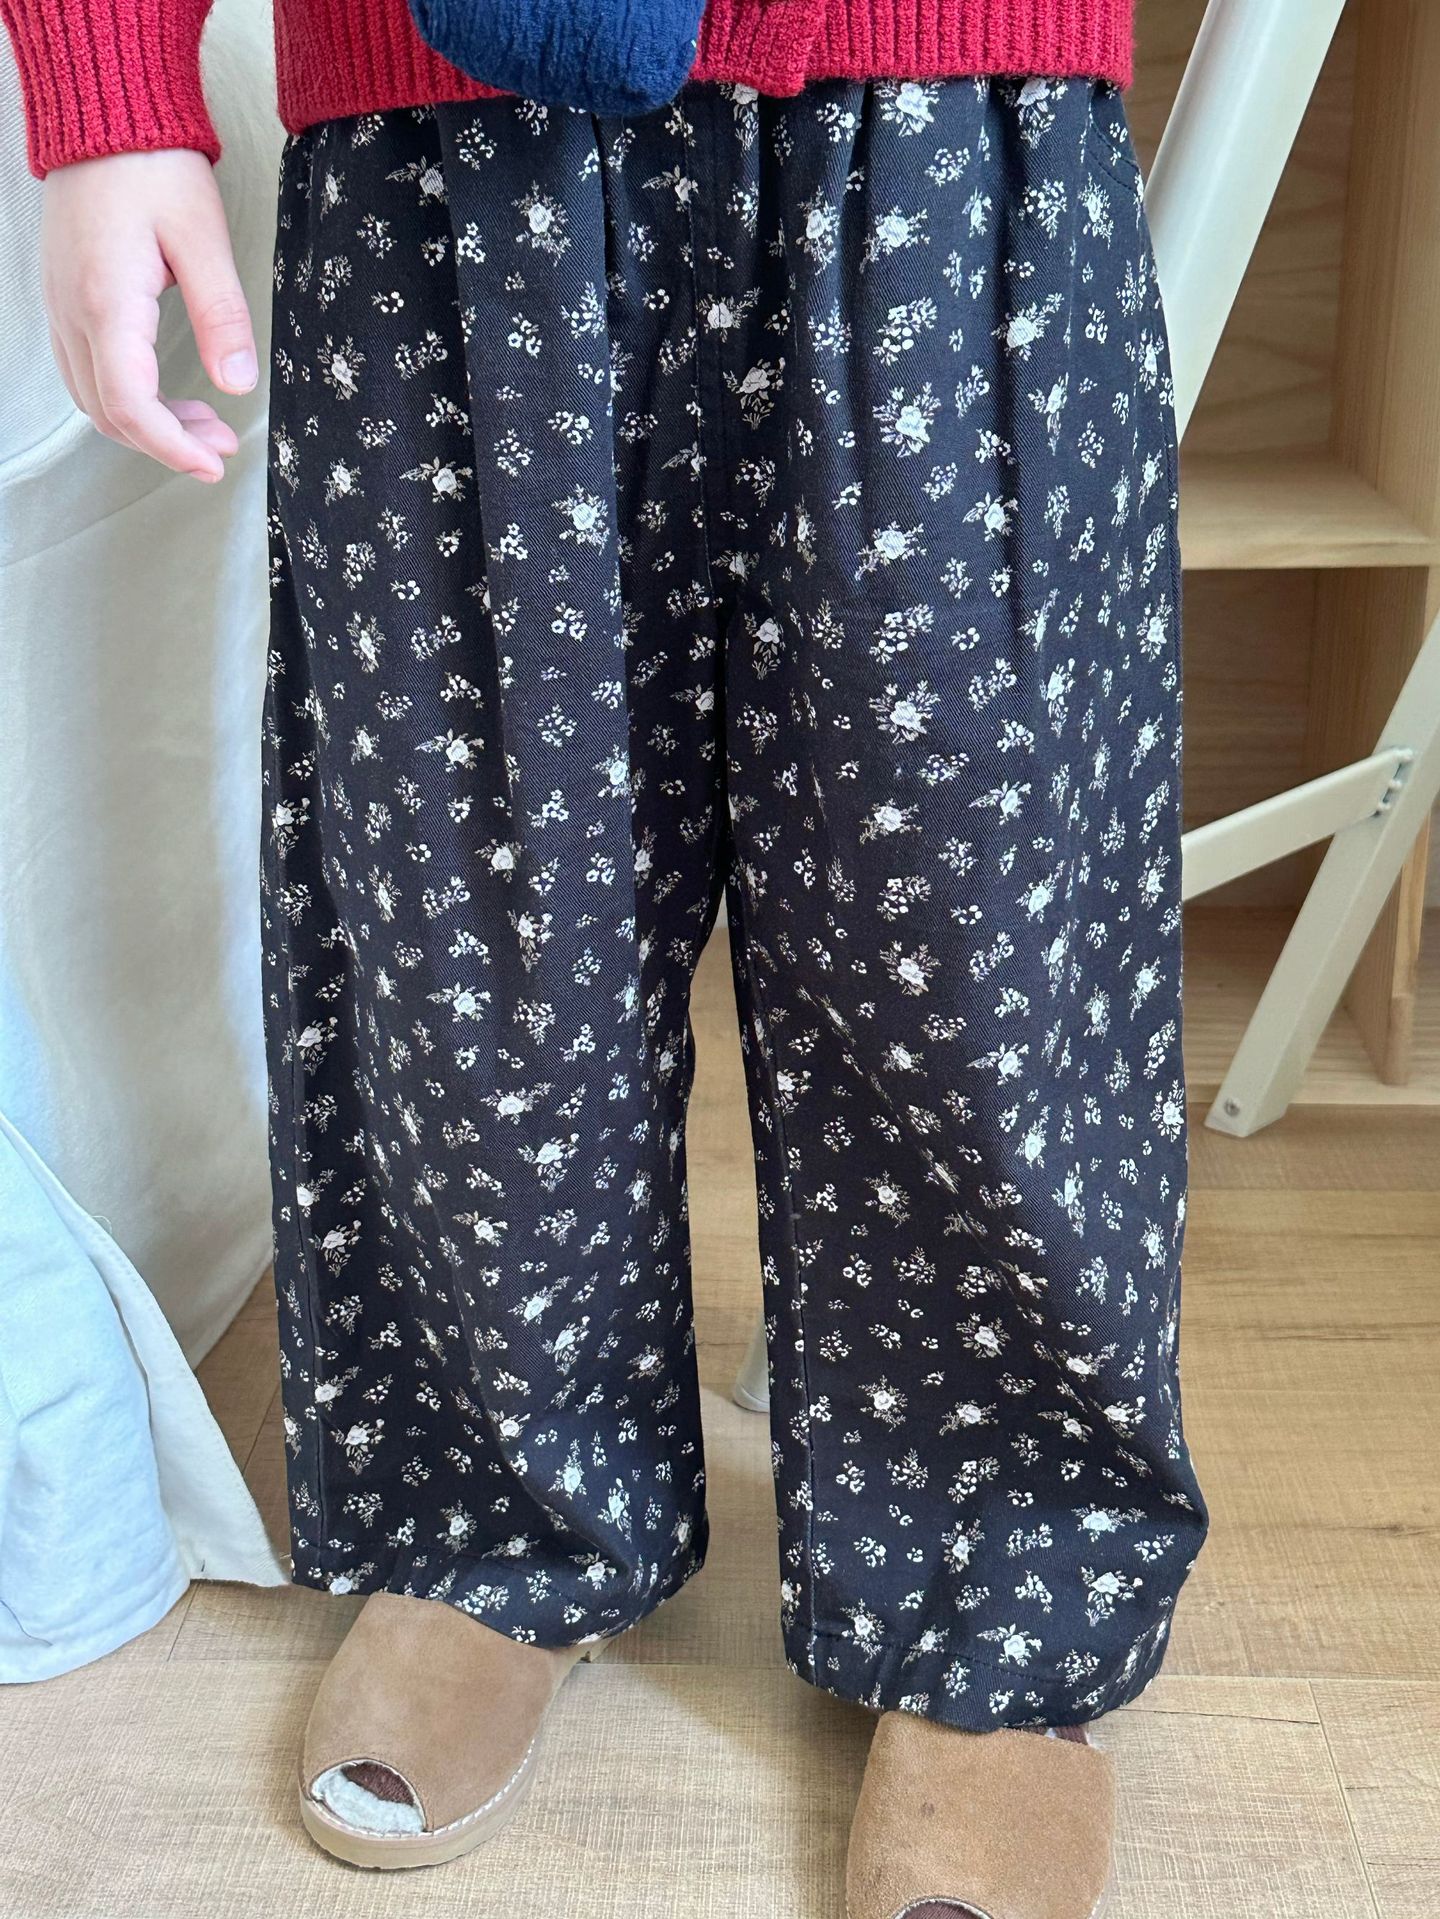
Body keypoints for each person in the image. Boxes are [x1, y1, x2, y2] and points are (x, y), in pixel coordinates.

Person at [4, 0, 1206, 1910]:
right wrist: (111, 84)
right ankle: (499, 1512)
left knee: (974, 929)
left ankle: (1001, 1583)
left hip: (950, 105)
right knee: (475, 941)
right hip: (442, 138)